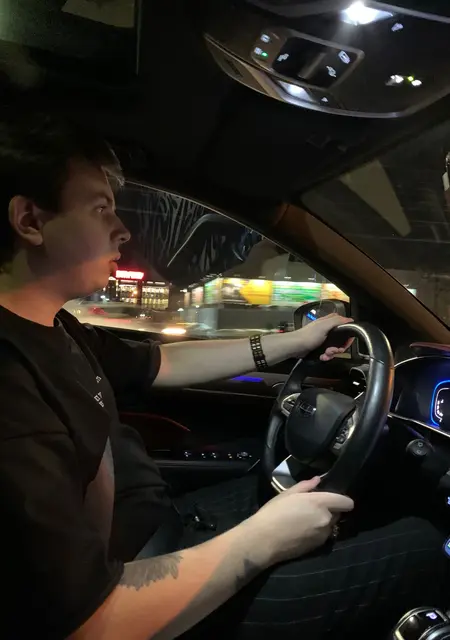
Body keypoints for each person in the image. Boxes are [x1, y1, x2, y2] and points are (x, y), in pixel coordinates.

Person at [0, 111, 447, 640]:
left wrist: (296, 340)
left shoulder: (56, 327)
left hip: (159, 525)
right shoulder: (10, 384)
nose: (122, 229)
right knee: (425, 544)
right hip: (137, 597)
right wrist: (262, 540)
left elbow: (164, 362)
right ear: (30, 220)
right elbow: (90, 623)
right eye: (100, 209)